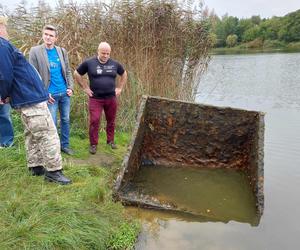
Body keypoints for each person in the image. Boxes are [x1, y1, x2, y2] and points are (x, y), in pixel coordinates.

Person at [0, 17, 71, 184]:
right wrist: (3, 94)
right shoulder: (1, 45)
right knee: (48, 133)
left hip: (28, 96)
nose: (6, 30)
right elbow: (4, 75)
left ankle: (35, 166)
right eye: (4, 26)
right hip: (29, 97)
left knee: (32, 133)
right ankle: (54, 171)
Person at [74, 42, 127, 154]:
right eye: (103, 53)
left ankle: (110, 141)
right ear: (98, 51)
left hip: (111, 98)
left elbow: (124, 73)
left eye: (108, 53)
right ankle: (93, 144)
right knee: (95, 120)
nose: (106, 56)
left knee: (111, 121)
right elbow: (77, 73)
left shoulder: (114, 64)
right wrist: (85, 88)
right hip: (95, 98)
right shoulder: (89, 63)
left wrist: (120, 88)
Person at [29, 24, 74, 155]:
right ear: (43, 35)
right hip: (50, 95)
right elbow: (33, 75)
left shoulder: (61, 51)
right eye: (46, 35)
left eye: (51, 36)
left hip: (64, 93)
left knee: (65, 120)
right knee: (52, 123)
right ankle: (54, 149)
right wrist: (44, 93)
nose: (48, 37)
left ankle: (65, 146)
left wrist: (70, 87)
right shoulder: (35, 51)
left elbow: (68, 71)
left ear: (56, 38)